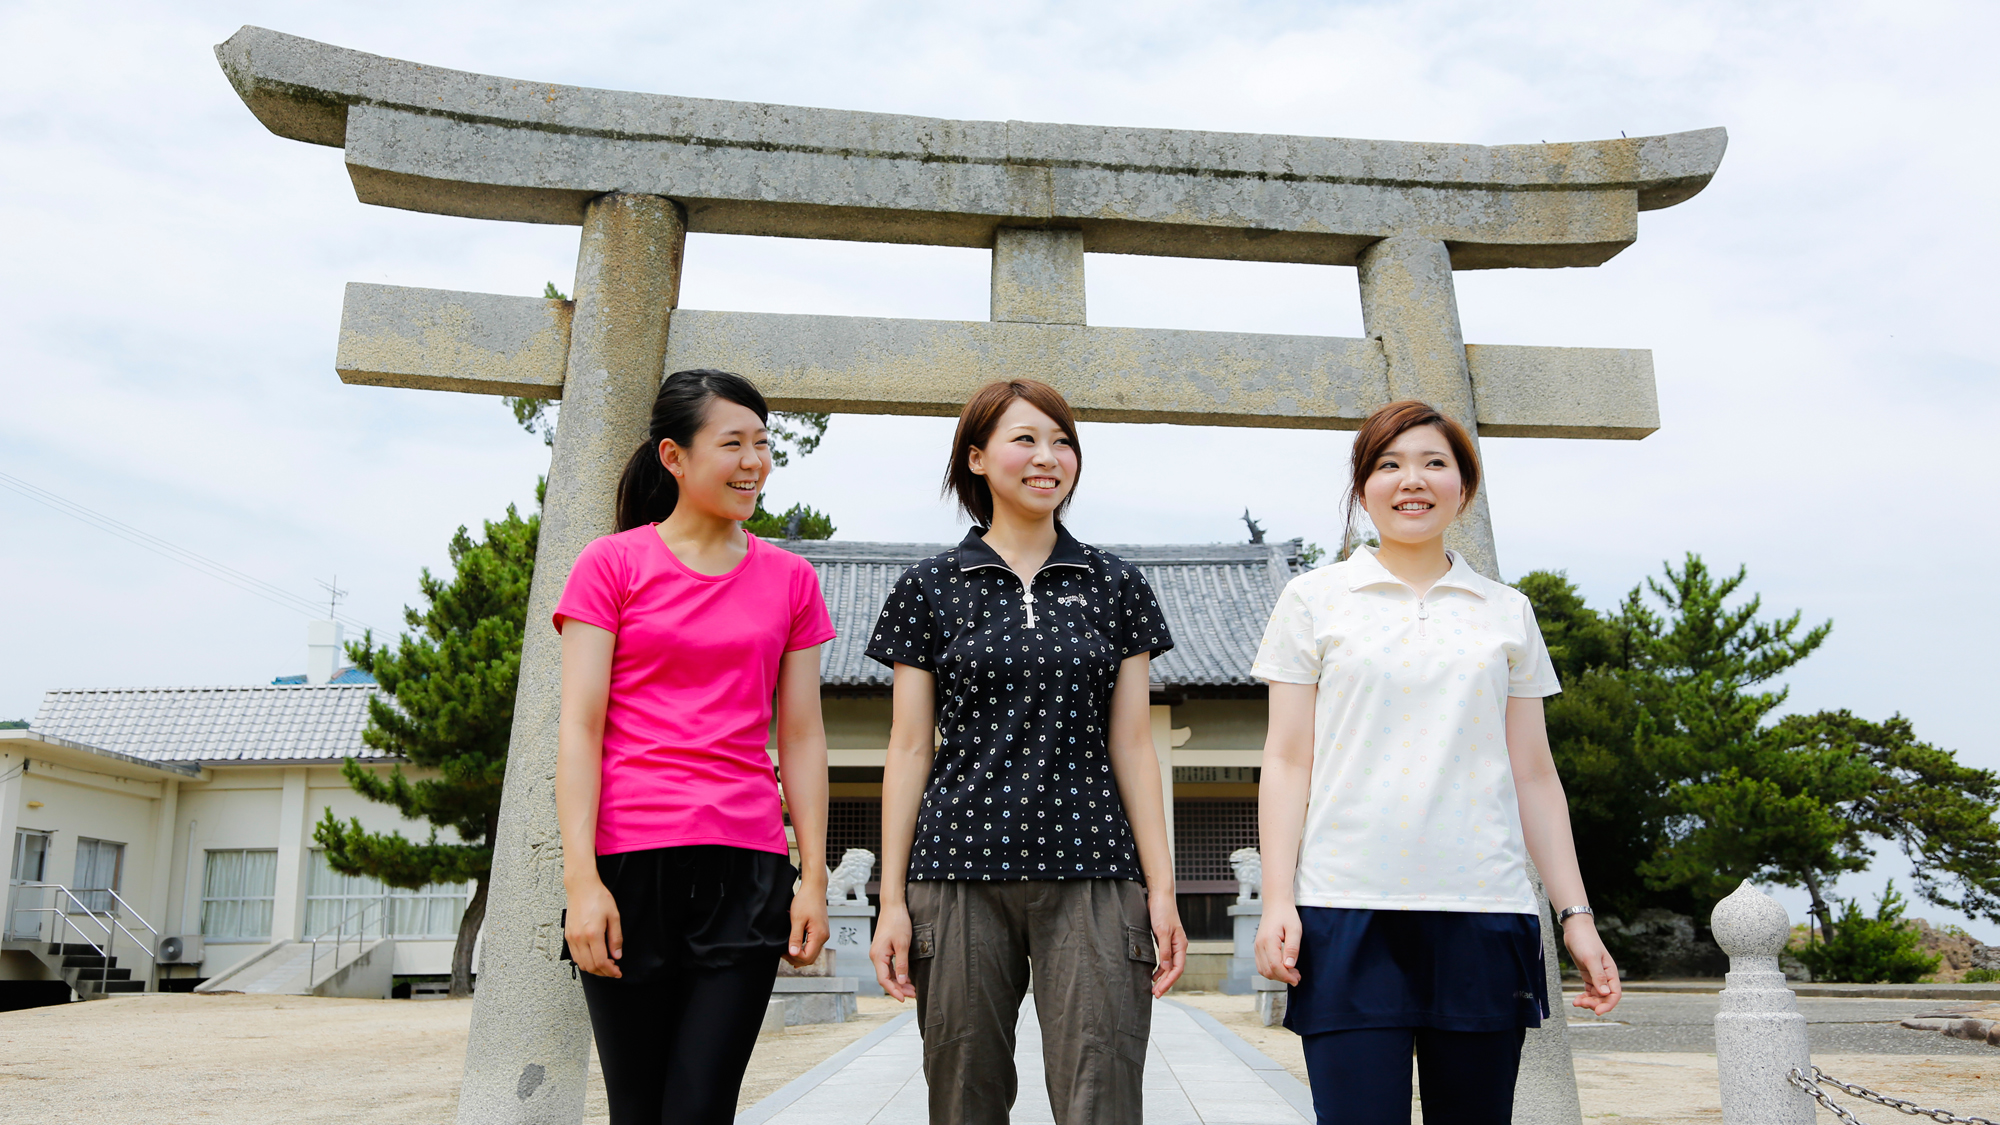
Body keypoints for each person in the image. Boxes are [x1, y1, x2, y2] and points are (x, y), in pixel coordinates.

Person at [1252, 400, 1622, 1125]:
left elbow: (1533, 773)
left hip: (1483, 911)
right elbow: (1288, 757)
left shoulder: (1505, 610)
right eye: (1387, 464)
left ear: (1464, 487)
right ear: (1362, 489)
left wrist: (1574, 913)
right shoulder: (1314, 599)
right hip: (1346, 908)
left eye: (1433, 463)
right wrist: (1277, 898)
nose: (1410, 480)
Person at [867, 379, 1188, 1125]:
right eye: (1025, 439)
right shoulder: (928, 587)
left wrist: (1161, 889)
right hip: (956, 870)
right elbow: (910, 747)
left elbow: (1134, 744)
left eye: (1062, 441)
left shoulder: (1117, 584)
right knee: (964, 1096)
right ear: (976, 458)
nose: (1048, 457)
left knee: (1101, 1095)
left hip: (1097, 869)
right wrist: (890, 901)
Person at [554, 369, 836, 1125]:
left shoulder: (792, 579)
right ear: (674, 457)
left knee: (702, 1107)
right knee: (640, 1110)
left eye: (763, 444)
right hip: (627, 868)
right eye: (733, 443)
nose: (754, 462)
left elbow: (802, 734)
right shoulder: (609, 566)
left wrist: (812, 876)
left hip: (745, 866)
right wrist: (582, 882)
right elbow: (579, 729)